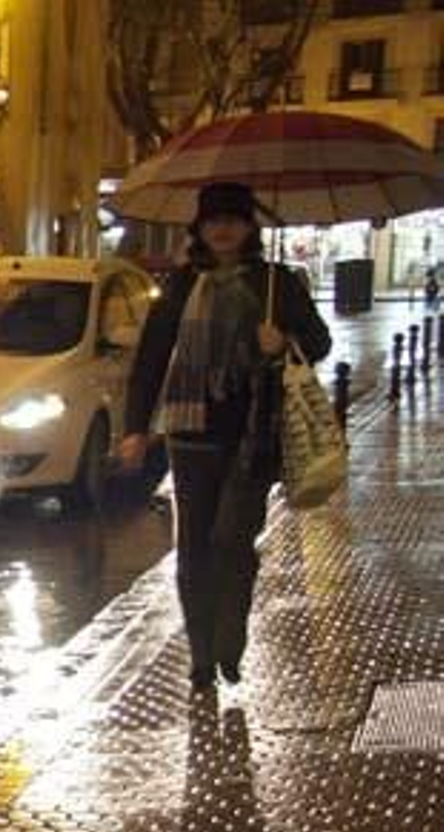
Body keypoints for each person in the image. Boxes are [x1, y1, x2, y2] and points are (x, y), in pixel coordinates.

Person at [118, 182, 331, 696]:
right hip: (189, 434)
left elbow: (319, 342)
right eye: (213, 220)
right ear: (199, 227)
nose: (222, 229)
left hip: (252, 436)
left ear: (249, 227)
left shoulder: (276, 282)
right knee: (193, 547)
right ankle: (200, 655)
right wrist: (135, 429)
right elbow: (151, 359)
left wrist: (285, 341)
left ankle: (229, 642)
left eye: (233, 219)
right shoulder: (180, 285)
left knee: (233, 543)